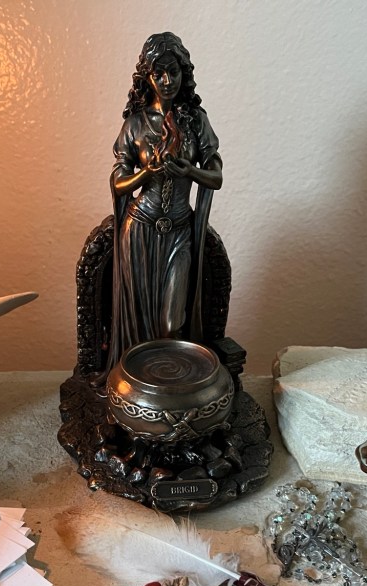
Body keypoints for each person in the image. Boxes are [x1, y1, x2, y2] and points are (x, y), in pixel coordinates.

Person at [102, 32, 223, 377]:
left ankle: (170, 384)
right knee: (140, 326)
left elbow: (216, 176)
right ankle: (141, 388)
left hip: (179, 233)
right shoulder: (136, 124)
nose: (168, 81)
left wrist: (191, 171)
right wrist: (145, 174)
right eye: (159, 73)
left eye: (174, 71)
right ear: (147, 77)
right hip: (140, 232)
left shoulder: (196, 121)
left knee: (171, 323)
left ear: (184, 73)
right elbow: (118, 181)